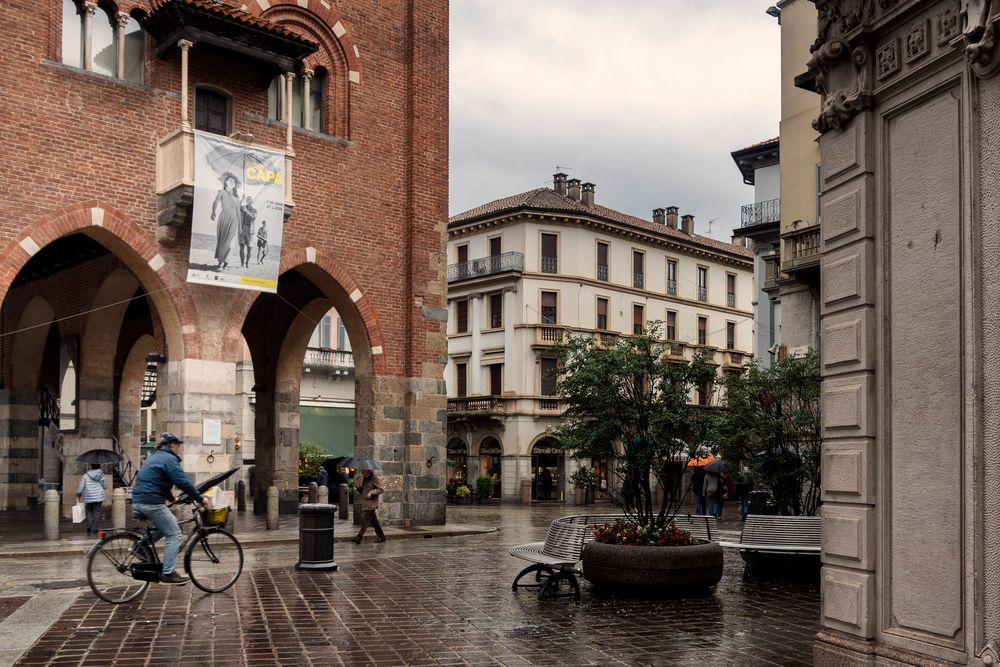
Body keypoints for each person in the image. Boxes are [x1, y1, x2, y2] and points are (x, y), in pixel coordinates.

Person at [131, 433, 209, 585]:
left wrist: (173, 499)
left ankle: (140, 547)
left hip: (140, 500)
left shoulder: (154, 457)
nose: (179, 447)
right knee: (174, 534)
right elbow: (182, 481)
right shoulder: (169, 459)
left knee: (169, 522)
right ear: (171, 445)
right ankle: (168, 572)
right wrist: (200, 498)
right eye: (178, 445)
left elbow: (161, 481)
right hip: (151, 502)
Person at [211, 172, 240, 271]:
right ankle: (220, 262)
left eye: (234, 182)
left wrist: (240, 226)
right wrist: (213, 211)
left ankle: (225, 261)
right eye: (230, 180)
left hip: (233, 220)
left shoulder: (237, 197)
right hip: (223, 219)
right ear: (226, 182)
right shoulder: (221, 192)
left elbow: (238, 212)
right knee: (222, 241)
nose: (232, 182)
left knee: (229, 242)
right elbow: (215, 202)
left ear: (235, 185)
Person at [352, 468, 385, 544]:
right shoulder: (362, 477)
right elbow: (362, 491)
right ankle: (381, 536)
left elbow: (381, 489)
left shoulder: (374, 478)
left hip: (372, 503)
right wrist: (358, 487)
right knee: (374, 521)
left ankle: (359, 537)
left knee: (366, 520)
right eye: (361, 471)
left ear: (368, 471)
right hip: (365, 502)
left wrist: (371, 492)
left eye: (363, 471)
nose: (362, 472)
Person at [76, 463, 107, 535]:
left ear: (91, 466)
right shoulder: (101, 474)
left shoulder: (86, 475)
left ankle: (90, 525)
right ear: (99, 466)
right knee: (97, 512)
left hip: (88, 497)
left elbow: (81, 488)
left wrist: (78, 495)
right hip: (99, 496)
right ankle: (95, 528)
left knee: (89, 511)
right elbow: (105, 486)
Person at [238, 195, 257, 269]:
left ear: (252, 202)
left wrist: (246, 210)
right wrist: (241, 199)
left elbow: (254, 216)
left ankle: (247, 263)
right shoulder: (243, 208)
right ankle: (242, 264)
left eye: (250, 200)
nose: (248, 201)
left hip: (250, 230)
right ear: (246, 201)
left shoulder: (254, 210)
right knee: (241, 247)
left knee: (249, 248)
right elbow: (237, 206)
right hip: (242, 229)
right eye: (247, 200)